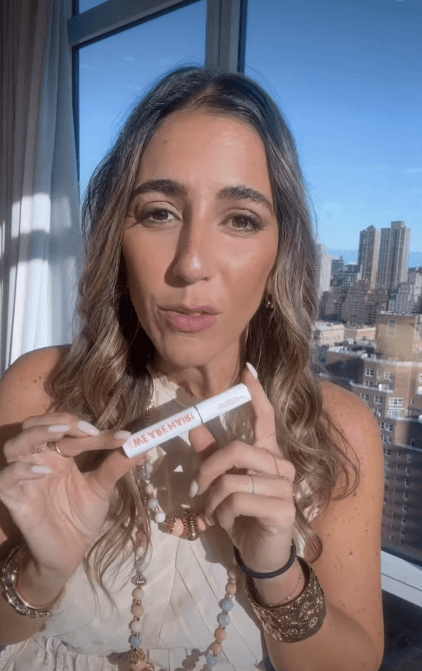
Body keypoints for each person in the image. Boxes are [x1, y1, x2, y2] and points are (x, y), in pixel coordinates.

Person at [0, 66, 385, 671]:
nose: (191, 263)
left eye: (240, 219)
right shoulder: (41, 391)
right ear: (117, 238)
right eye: (159, 212)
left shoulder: (339, 431)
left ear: (280, 250)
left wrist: (276, 571)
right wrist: (40, 572)